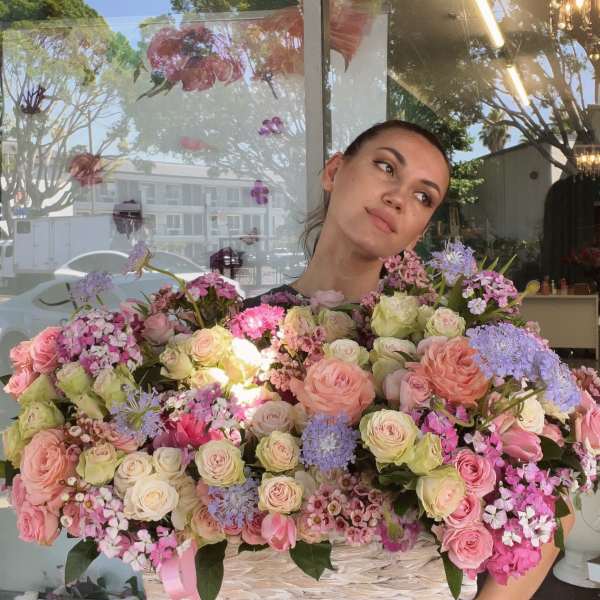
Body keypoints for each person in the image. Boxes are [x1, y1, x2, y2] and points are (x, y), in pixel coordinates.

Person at [243, 119, 574, 599]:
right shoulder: (243, 332)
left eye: (423, 196)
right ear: (334, 171)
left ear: (419, 232)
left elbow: (554, 499)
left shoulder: (446, 344)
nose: (399, 198)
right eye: (385, 167)